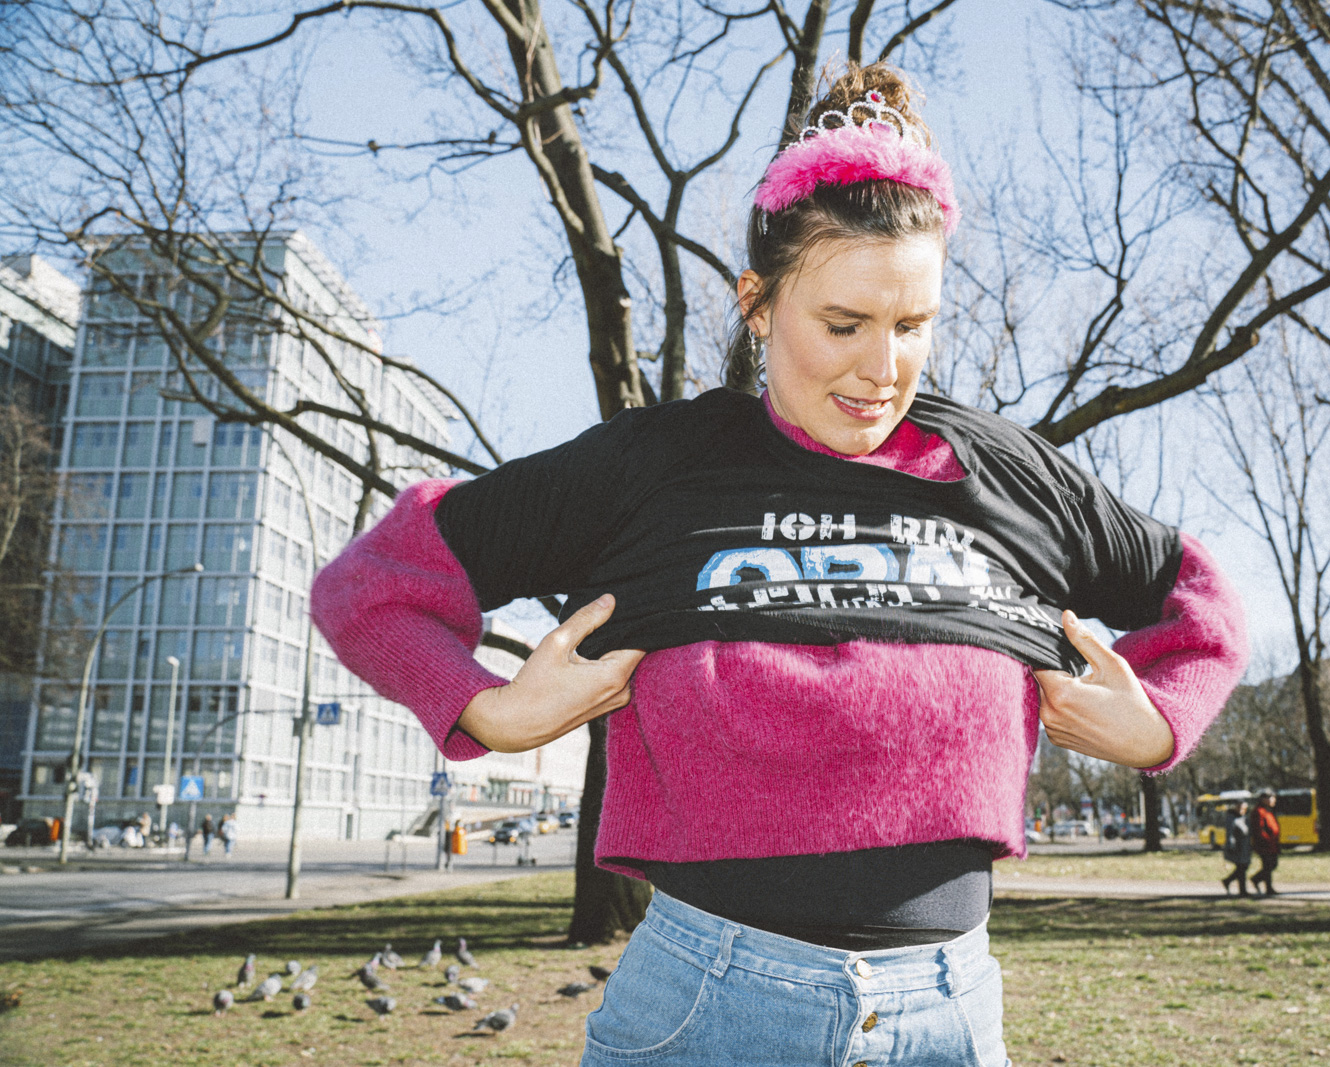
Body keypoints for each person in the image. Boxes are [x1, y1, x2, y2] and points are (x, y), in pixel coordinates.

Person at [310, 63, 1248, 1066]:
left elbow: (1202, 601)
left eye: (911, 325)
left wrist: (1156, 726)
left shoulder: (1005, 474)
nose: (880, 366)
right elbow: (370, 583)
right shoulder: (651, 465)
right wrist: (486, 708)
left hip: (949, 1016)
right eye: (842, 323)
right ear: (756, 303)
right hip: (709, 1011)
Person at [1249, 789, 1281, 895]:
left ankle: (1258, 880)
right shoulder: (1259, 811)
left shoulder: (1268, 810)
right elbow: (1258, 829)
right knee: (1268, 865)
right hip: (1265, 844)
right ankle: (1268, 888)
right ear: (1264, 799)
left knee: (1272, 865)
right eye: (1272, 798)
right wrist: (1267, 840)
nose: (1274, 800)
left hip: (1272, 844)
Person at [1221, 799, 1252, 896]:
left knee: (1243, 867)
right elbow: (1229, 834)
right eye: (1239, 807)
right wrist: (1231, 846)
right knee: (1242, 868)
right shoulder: (1231, 818)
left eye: (1243, 808)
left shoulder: (1245, 818)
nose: (1241, 810)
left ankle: (1228, 880)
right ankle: (1242, 891)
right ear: (1235, 807)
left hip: (1245, 848)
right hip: (1237, 848)